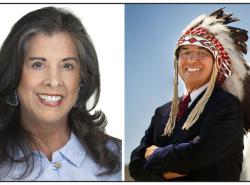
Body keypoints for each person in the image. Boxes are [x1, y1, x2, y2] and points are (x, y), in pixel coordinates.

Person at [0, 6, 121, 181]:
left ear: (82, 78)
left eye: (67, 66)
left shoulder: (117, 156)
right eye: (38, 65)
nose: (54, 81)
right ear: (14, 74)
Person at [129, 8, 250, 181]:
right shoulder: (162, 112)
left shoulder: (227, 105)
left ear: (216, 63)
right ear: (177, 62)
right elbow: (135, 165)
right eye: (185, 52)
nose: (192, 59)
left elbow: (198, 155)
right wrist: (167, 172)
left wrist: (156, 154)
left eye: (202, 53)